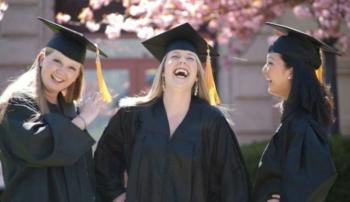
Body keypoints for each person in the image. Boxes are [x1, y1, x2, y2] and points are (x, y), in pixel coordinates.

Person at [94, 23, 251, 202]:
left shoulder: (212, 121)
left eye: (190, 58)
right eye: (175, 56)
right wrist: (116, 195)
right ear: (162, 71)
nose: (182, 61)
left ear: (197, 75)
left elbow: (232, 182)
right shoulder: (133, 115)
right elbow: (105, 159)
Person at [0, 17, 109, 202]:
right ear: (42, 59)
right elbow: (41, 148)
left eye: (72, 68)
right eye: (57, 60)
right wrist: (83, 120)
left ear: (76, 76)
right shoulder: (19, 103)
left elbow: (83, 171)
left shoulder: (70, 109)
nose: (62, 71)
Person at [252, 22, 338, 202]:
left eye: (270, 63)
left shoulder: (301, 125)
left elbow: (316, 180)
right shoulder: (294, 120)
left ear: (290, 71)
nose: (264, 70)